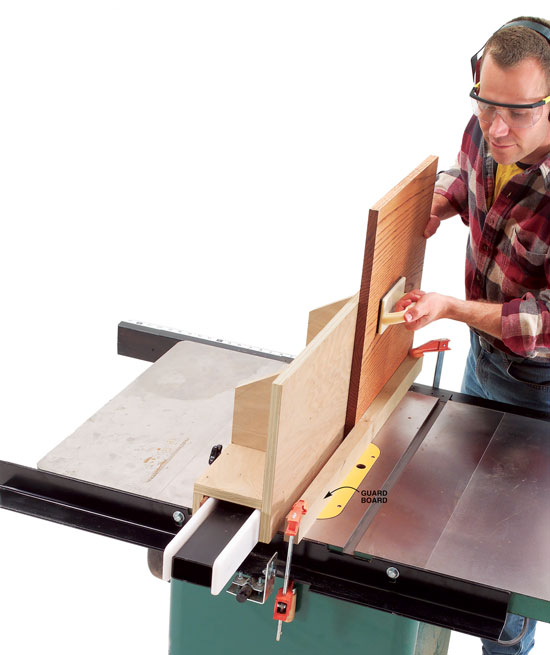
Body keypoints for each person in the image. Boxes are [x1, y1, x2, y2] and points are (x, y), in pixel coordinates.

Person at [395, 16, 550, 655]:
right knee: (456, 524)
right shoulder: (487, 128)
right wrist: (440, 199)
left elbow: (542, 320)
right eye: (486, 104)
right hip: (485, 360)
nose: (496, 128)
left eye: (516, 112)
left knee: (504, 560)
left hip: (540, 387)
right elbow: (468, 176)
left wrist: (453, 310)